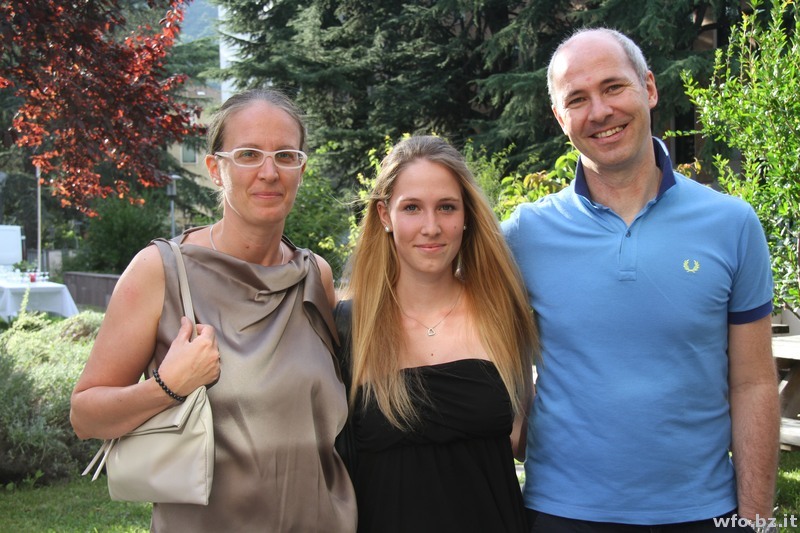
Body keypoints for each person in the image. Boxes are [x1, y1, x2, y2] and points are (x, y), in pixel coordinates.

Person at [502, 28, 780, 532]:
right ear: (560, 118)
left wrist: (756, 522)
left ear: (648, 88)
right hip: (562, 513)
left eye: (613, 87)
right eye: (577, 99)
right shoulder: (523, 235)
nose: (600, 111)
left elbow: (754, 383)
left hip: (703, 512)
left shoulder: (732, 224)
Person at [70, 89, 357, 532]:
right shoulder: (161, 271)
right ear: (214, 168)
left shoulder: (314, 276)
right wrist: (167, 387)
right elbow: (85, 416)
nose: (269, 172)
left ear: (301, 169)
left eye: (285, 156)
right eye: (248, 154)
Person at [337, 135, 538, 533]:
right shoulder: (348, 327)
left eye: (447, 207)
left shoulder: (502, 315)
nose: (431, 227)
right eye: (412, 207)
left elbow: (523, 440)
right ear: (384, 215)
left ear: (466, 215)